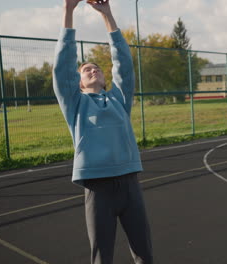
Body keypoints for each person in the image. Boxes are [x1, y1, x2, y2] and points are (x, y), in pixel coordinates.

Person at [52, 1, 152, 263]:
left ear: (106, 80)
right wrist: (69, 11)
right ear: (79, 83)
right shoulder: (75, 104)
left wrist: (107, 15)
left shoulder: (118, 99)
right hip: (98, 189)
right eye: (86, 70)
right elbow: (62, 67)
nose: (93, 69)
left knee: (144, 254)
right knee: (102, 257)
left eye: (97, 68)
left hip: (129, 182)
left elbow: (124, 63)